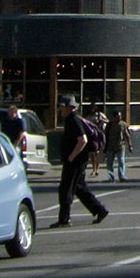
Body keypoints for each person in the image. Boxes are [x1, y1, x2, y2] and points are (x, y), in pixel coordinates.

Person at [53, 94, 109, 226]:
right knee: (79, 188)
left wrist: (71, 156)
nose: (61, 109)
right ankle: (99, 210)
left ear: (69, 108)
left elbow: (83, 140)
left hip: (75, 162)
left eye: (63, 107)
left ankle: (64, 219)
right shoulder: (72, 120)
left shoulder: (74, 121)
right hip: (78, 161)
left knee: (66, 189)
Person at [103, 110, 129, 181]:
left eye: (120, 116)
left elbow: (127, 135)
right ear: (114, 117)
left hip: (120, 146)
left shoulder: (123, 124)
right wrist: (104, 145)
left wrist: (130, 145)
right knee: (109, 163)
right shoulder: (109, 125)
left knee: (121, 161)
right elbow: (105, 134)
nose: (119, 118)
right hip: (110, 146)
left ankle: (122, 176)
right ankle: (111, 177)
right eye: (118, 116)